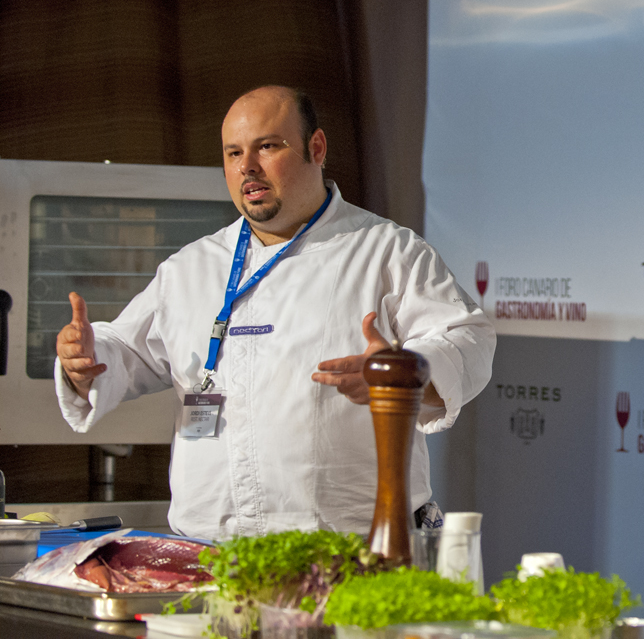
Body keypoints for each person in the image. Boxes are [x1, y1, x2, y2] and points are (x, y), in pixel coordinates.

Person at [54, 86, 495, 539]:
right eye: (233, 152)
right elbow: (126, 351)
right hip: (212, 555)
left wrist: (397, 375)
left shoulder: (385, 251)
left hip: (352, 551)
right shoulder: (191, 268)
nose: (247, 167)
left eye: (267, 146)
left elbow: (468, 338)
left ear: (316, 148)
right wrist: (83, 361)